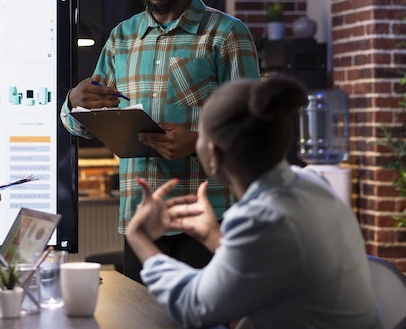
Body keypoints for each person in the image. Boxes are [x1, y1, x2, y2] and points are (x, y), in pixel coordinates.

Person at [60, 0, 260, 281]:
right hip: (140, 221)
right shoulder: (121, 37)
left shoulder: (228, 34)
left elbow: (254, 130)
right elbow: (81, 124)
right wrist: (74, 101)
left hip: (206, 220)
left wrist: (199, 143)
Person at [125, 76, 382, 329]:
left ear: (213, 154)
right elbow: (270, 263)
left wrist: (138, 235)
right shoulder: (313, 184)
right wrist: (215, 235)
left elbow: (193, 306)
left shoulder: (263, 217)